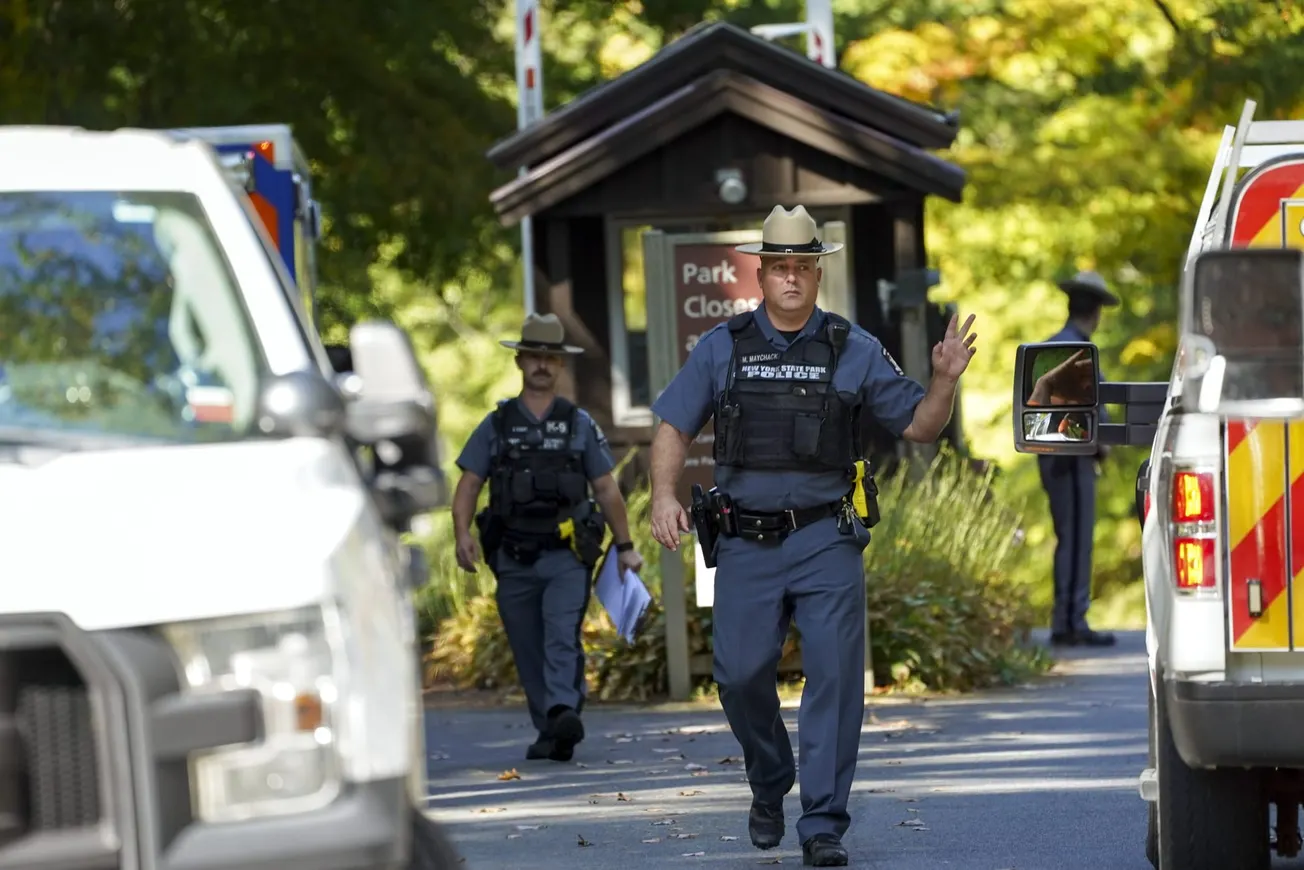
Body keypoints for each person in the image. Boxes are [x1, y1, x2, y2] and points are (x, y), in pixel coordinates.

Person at [647, 204, 977, 867]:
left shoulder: (852, 347)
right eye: (780, 268)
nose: (792, 278)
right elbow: (674, 426)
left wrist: (943, 380)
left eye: (804, 267)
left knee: (833, 680)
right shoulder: (724, 345)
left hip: (827, 538)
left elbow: (917, 425)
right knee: (740, 677)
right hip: (743, 541)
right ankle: (770, 778)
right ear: (761, 273)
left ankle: (822, 822)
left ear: (817, 273)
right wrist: (662, 494)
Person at [451, 312, 644, 761]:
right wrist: (462, 533)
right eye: (534, 355)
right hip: (512, 555)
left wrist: (626, 547)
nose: (542, 364)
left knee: (561, 633)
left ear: (560, 366)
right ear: (520, 361)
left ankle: (562, 709)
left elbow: (605, 488)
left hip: (566, 554)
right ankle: (550, 729)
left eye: (550, 357)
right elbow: (469, 484)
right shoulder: (497, 424)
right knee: (526, 642)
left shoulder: (577, 424)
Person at [1039, 270, 1118, 647]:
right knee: (1076, 538)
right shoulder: (1079, 351)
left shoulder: (1054, 345)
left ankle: (1067, 617)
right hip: (1072, 456)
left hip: (1054, 455)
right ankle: (1071, 622)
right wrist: (1103, 442)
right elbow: (1088, 406)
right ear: (1095, 312)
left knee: (1067, 536)